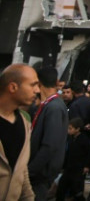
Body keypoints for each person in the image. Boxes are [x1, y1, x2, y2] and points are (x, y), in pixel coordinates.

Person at [28, 66, 68, 201]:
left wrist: (30, 170)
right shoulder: (48, 105)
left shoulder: (54, 107)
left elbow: (50, 145)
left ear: (38, 83)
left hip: (41, 174)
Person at [0, 64, 39, 201]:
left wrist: (29, 198)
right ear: (13, 87)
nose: (37, 90)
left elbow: (22, 171)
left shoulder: (24, 123)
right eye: (33, 85)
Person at [56, 117, 90, 201]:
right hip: (69, 168)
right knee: (61, 188)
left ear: (78, 129)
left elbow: (89, 154)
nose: (69, 130)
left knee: (77, 191)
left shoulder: (84, 140)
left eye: (70, 128)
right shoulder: (71, 138)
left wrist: (87, 166)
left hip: (78, 169)